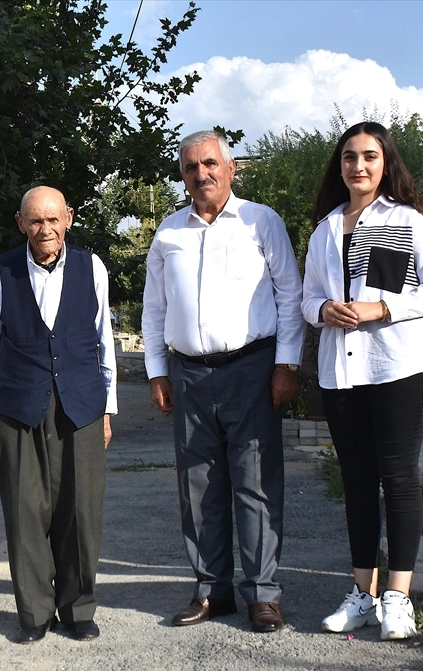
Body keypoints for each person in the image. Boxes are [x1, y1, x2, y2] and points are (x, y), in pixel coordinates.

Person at [142, 129, 304, 634]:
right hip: (188, 373)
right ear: (183, 176)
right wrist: (157, 371)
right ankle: (211, 590)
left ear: (230, 168)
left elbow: (290, 295)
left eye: (210, 163)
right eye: (191, 167)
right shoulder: (169, 233)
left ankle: (262, 594)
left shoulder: (261, 221)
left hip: (251, 370)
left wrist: (286, 365)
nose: (202, 174)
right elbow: (154, 309)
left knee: (255, 483)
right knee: (197, 488)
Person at [302, 121, 423, 640]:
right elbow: (306, 298)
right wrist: (323, 309)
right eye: (349, 157)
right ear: (340, 165)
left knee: (399, 476)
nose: (359, 166)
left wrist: (382, 307)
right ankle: (362, 595)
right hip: (341, 373)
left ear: (385, 162)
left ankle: (398, 597)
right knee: (358, 482)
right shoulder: (325, 230)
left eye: (370, 156)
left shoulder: (410, 221)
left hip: (398, 368)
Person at [0, 186, 117, 644]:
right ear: (21, 223)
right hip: (18, 406)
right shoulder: (2, 272)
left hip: (82, 403)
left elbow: (105, 339)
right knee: (24, 510)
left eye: (53, 219)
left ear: (68, 218)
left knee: (81, 510)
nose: (45, 229)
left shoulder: (92, 267)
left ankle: (78, 610)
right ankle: (34, 613)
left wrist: (108, 407)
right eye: (36, 220)